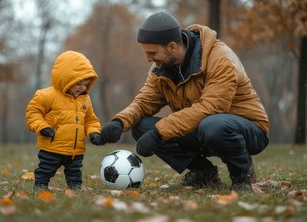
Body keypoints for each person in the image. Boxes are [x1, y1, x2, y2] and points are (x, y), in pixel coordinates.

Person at [100, 11, 269, 192]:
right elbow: (143, 102)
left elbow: (211, 108)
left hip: (248, 129)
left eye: (152, 53)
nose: (148, 59)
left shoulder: (220, 58)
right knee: (142, 127)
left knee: (212, 125)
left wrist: (159, 133)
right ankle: (203, 173)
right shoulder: (160, 68)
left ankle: (242, 176)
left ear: (172, 46)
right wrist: (119, 122)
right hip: (202, 128)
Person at [26, 51, 103, 191]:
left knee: (74, 172)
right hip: (52, 146)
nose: (82, 88)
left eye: (86, 84)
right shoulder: (47, 95)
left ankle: (75, 188)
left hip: (75, 150)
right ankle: (40, 186)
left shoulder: (85, 99)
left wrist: (94, 133)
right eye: (78, 83)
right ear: (65, 79)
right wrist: (42, 127)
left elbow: (90, 120)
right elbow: (33, 113)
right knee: (46, 169)